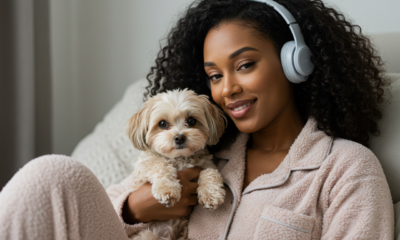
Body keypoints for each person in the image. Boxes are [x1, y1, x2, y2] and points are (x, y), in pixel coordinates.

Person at [0, 0, 394, 239]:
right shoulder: (205, 149)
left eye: (245, 65)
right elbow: (92, 210)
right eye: (215, 75)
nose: (228, 89)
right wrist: (134, 208)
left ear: (295, 64)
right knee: (51, 176)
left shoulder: (346, 168)